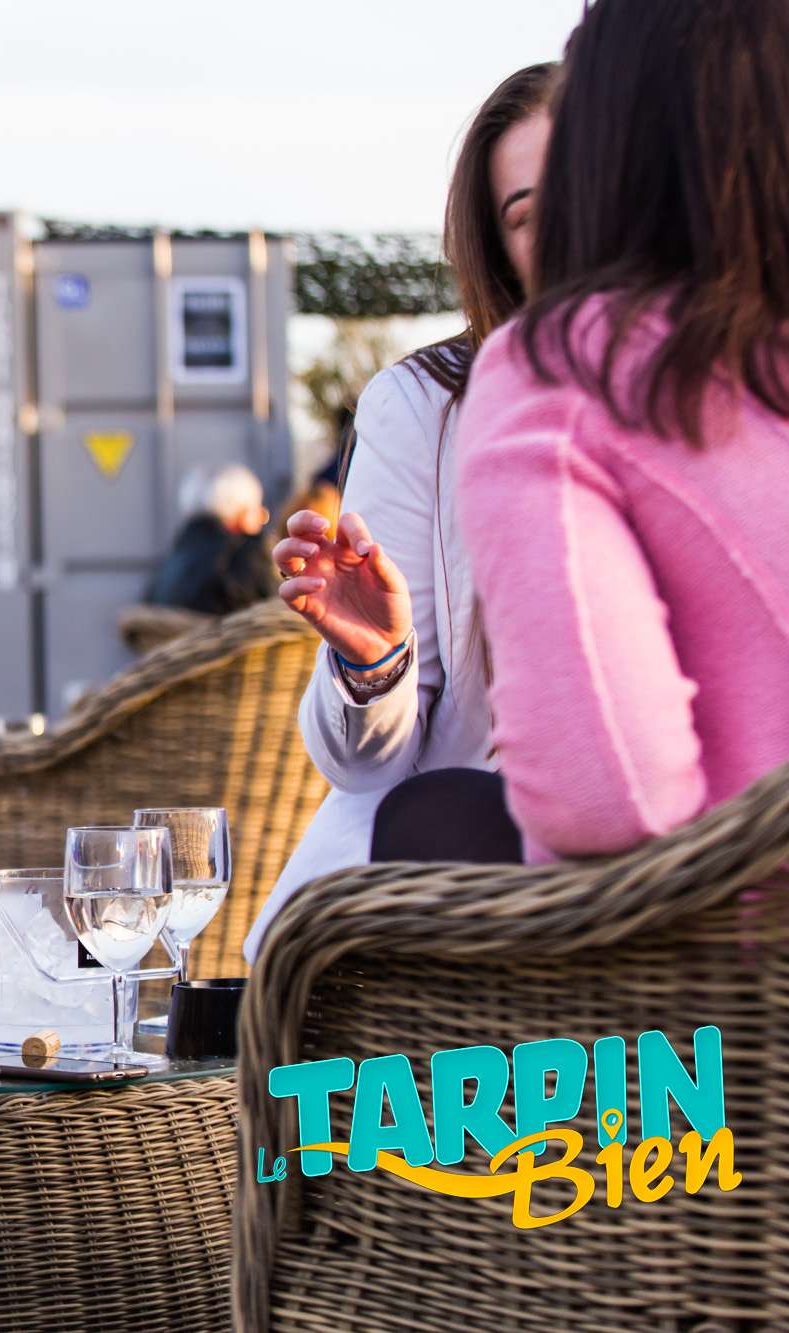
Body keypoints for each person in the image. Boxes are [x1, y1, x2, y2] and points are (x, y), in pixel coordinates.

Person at [456, 0, 789, 861]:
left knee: (419, 829)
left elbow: (606, 799)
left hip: (753, 936)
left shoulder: (563, 371)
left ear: (602, 146)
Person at [245, 62, 554, 960]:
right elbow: (367, 764)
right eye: (530, 214)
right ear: (499, 249)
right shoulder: (424, 409)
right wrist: (374, 662)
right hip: (461, 884)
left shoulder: (718, 396)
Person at [145, 465, 277, 615]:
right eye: (258, 512)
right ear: (242, 515)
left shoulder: (172, 562)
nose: (261, 520)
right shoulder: (249, 555)